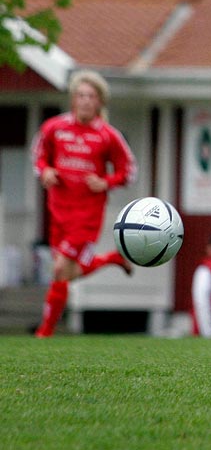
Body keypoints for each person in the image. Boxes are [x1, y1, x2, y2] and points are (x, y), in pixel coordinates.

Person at [32, 70, 138, 338]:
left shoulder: (108, 135)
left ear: (100, 101)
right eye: (80, 95)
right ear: (73, 99)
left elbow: (129, 171)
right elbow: (39, 157)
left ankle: (45, 331)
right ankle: (112, 258)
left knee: (59, 270)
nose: (85, 101)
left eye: (91, 96)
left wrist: (106, 182)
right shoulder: (54, 128)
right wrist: (45, 171)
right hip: (58, 209)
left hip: (87, 214)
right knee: (66, 272)